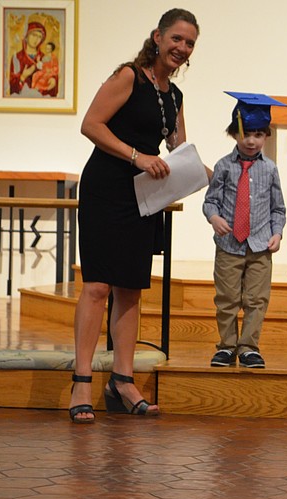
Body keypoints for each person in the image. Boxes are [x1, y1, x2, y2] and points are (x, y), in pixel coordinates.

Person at [68, 8, 199, 423]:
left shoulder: (174, 96)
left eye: (190, 43)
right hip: (107, 189)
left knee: (130, 288)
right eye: (176, 38)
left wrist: (209, 171)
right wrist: (137, 156)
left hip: (145, 196)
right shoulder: (129, 76)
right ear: (157, 37)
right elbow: (91, 124)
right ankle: (82, 381)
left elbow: (179, 150)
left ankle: (122, 380)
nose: (182, 48)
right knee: (97, 287)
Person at [203, 92, 287, 369]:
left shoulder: (271, 169)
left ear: (266, 136)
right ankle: (226, 346)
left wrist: (277, 233)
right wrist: (214, 218)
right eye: (245, 134)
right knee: (227, 297)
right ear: (234, 134)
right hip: (229, 244)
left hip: (260, 244)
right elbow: (210, 201)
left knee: (256, 298)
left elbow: (278, 208)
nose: (251, 141)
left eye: (258, 135)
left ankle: (249, 347)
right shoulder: (224, 166)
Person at [8, 20, 46, 96]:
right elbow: (12, 88)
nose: (36, 39)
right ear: (26, 36)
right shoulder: (17, 57)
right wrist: (22, 77)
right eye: (34, 35)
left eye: (39, 37)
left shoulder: (44, 58)